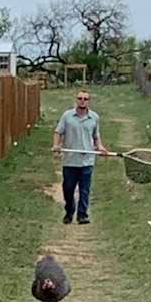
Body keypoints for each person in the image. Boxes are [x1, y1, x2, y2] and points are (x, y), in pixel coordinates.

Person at [52, 90, 110, 224]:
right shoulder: (67, 116)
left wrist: (100, 147)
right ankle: (69, 211)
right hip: (70, 160)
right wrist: (56, 145)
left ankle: (82, 215)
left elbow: (96, 136)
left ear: (89, 101)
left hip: (87, 160)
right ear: (76, 100)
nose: (82, 101)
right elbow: (58, 132)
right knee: (68, 189)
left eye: (85, 99)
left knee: (85, 190)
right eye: (80, 98)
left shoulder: (94, 117)